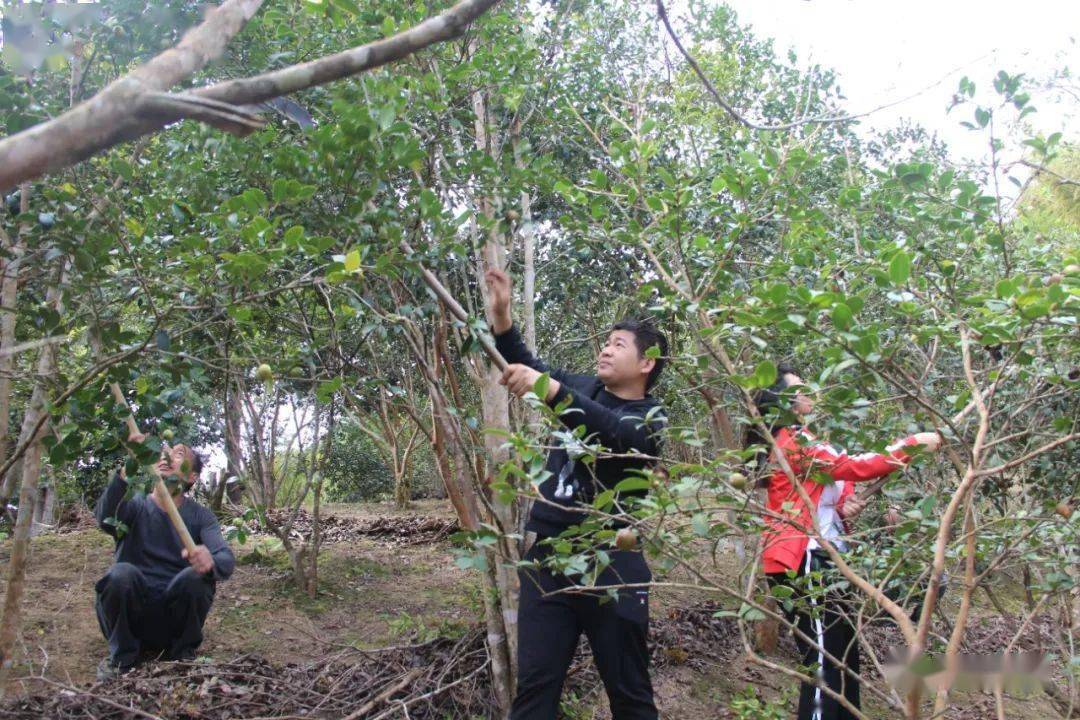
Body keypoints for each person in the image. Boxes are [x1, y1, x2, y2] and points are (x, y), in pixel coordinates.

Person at [485, 268, 667, 720]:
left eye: (618, 344)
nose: (605, 349)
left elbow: (610, 430)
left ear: (647, 363)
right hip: (549, 560)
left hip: (613, 568)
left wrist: (548, 389)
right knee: (535, 691)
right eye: (606, 341)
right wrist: (503, 317)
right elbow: (524, 362)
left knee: (630, 695)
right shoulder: (584, 387)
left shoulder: (650, 418)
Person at [750, 364, 942, 720]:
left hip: (826, 558)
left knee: (843, 657)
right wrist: (912, 445)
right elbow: (854, 465)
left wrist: (844, 503)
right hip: (804, 560)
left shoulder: (802, 440)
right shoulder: (792, 440)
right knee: (824, 663)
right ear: (783, 402)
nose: (809, 393)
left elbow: (829, 486)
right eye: (799, 389)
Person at [94, 434, 235, 680]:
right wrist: (128, 469)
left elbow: (225, 558)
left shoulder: (201, 517)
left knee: (197, 578)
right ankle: (121, 661)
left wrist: (209, 561)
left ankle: (183, 657)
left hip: (172, 623)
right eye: (164, 452)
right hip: (130, 618)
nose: (167, 456)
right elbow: (106, 518)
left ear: (192, 477)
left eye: (179, 454)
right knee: (121, 574)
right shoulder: (135, 504)